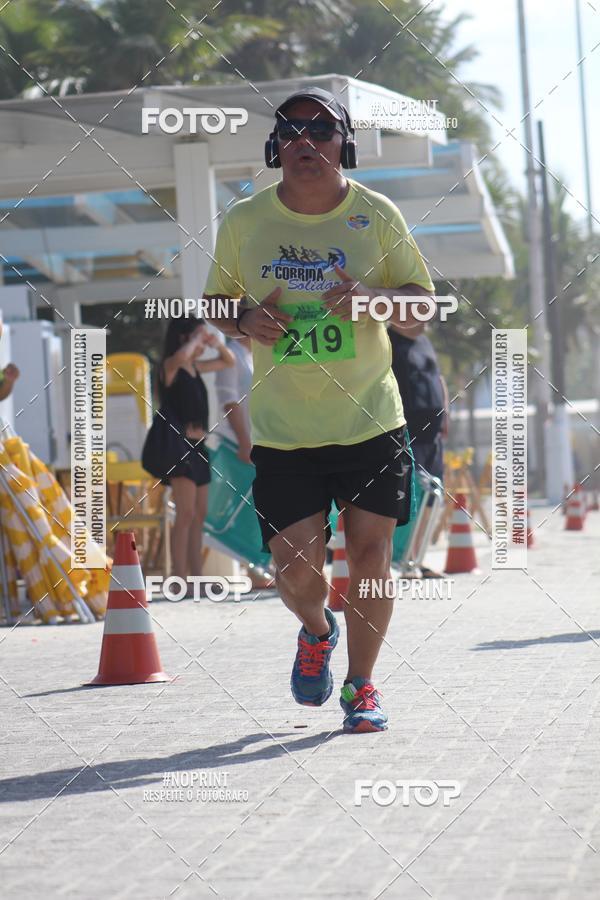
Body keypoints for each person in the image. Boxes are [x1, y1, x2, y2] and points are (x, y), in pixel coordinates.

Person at [204, 87, 434, 733]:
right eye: (294, 129)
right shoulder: (245, 220)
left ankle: (362, 688)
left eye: (323, 130)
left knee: (370, 557)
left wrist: (371, 299)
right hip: (285, 429)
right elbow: (215, 304)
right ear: (277, 146)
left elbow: (419, 310)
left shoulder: (376, 214)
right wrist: (244, 317)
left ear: (345, 145)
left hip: (370, 419)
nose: (308, 141)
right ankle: (315, 630)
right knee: (296, 568)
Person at [157, 317, 234, 587]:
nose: (203, 342)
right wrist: (195, 339)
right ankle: (179, 577)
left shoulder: (195, 367)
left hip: (199, 446)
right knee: (185, 513)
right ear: (183, 338)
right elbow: (178, 357)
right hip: (178, 448)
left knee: (199, 513)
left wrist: (214, 343)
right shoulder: (171, 366)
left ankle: (197, 575)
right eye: (198, 336)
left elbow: (228, 361)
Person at [388, 323, 449, 577]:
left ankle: (417, 559)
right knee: (410, 496)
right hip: (407, 432)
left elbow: (438, 379)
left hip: (433, 433)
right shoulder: (389, 342)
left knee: (432, 496)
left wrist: (446, 415)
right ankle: (403, 559)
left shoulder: (424, 342)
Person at [215, 335, 275, 590]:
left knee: (263, 505)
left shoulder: (251, 355)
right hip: (240, 444)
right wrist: (243, 441)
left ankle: (263, 563)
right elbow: (229, 401)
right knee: (250, 506)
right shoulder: (232, 354)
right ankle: (254, 567)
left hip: (260, 441)